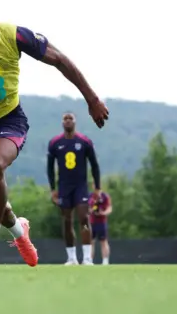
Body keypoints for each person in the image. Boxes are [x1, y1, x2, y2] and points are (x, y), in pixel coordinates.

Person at [0, 0, 109, 271]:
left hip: (9, 120)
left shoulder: (13, 35)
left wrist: (91, 99)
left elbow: (60, 60)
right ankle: (20, 232)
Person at [48, 112, 101, 265]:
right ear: (62, 122)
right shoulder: (55, 143)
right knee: (66, 221)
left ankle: (87, 257)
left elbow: (94, 165)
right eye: (65, 118)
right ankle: (71, 258)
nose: (68, 121)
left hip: (81, 186)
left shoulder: (84, 141)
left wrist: (97, 187)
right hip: (64, 187)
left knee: (84, 218)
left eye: (71, 118)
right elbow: (50, 168)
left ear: (75, 122)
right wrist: (53, 189)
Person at [89, 189, 112, 265]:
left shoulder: (105, 196)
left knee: (103, 241)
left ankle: (105, 261)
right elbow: (88, 208)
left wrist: (103, 213)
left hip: (101, 222)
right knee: (91, 242)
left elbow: (109, 208)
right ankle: (89, 260)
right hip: (91, 222)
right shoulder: (90, 196)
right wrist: (92, 210)